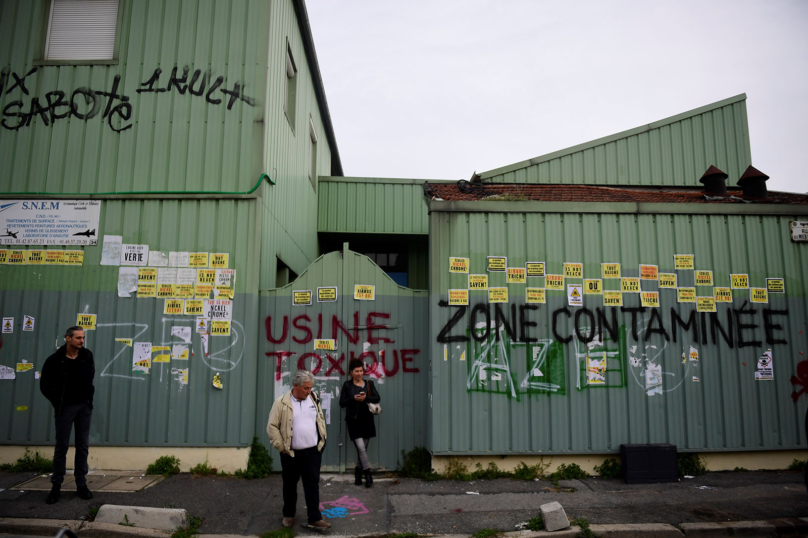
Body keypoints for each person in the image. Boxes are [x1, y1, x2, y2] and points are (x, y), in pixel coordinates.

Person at [267, 370, 331, 530]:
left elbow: (319, 419)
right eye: (306, 388)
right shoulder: (281, 403)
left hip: (312, 452)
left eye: (310, 388)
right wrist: (281, 448)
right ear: (296, 386)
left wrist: (321, 442)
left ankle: (315, 518)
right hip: (291, 453)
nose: (309, 391)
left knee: (312, 485)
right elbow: (272, 427)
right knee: (289, 485)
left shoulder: (313, 398)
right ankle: (289, 515)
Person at [39, 326, 95, 504]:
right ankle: (56, 487)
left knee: (82, 446)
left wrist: (88, 399)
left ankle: (81, 485)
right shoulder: (55, 360)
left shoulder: (87, 356)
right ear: (67, 339)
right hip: (65, 409)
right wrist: (57, 401)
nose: (82, 341)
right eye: (78, 338)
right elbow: (45, 385)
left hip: (84, 407)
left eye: (83, 338)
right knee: (61, 447)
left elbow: (90, 377)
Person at [339, 358, 381, 488]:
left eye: (361, 371)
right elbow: (342, 403)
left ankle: (358, 471)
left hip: (367, 420)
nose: (359, 373)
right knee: (361, 448)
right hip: (353, 421)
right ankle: (367, 474)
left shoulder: (369, 384)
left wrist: (365, 398)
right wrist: (353, 398)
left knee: (363, 449)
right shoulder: (347, 385)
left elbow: (377, 398)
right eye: (356, 371)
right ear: (351, 372)